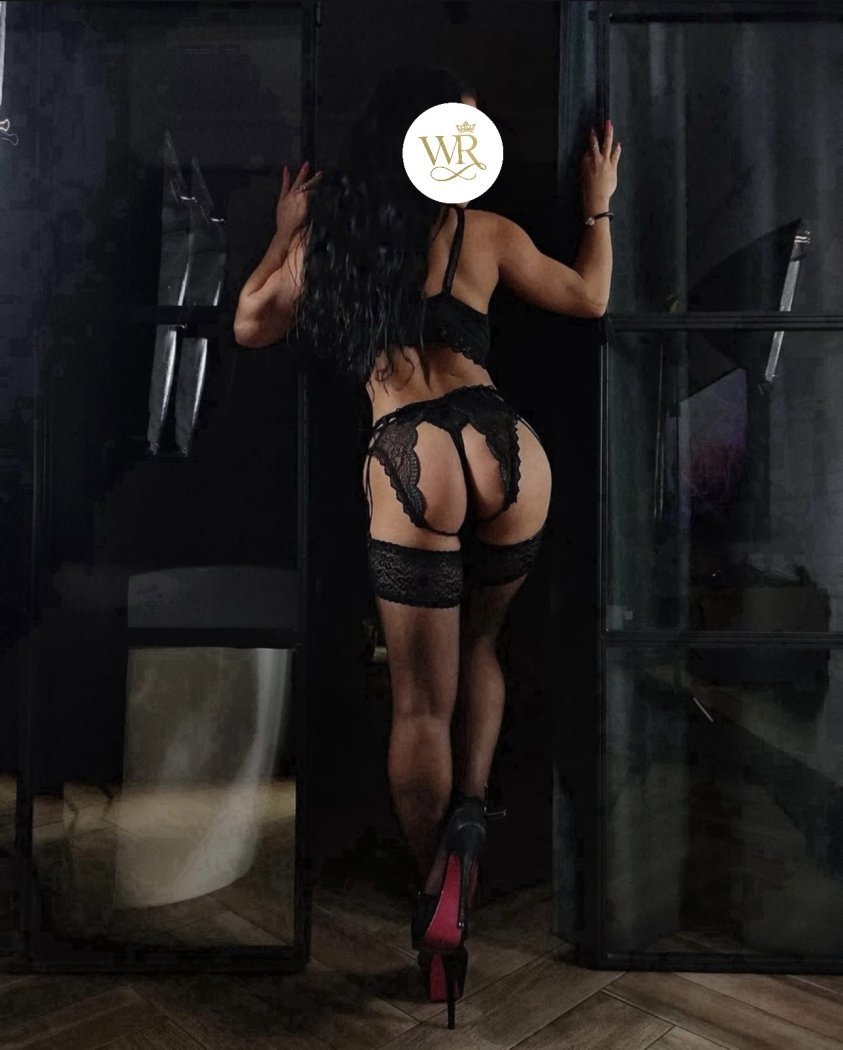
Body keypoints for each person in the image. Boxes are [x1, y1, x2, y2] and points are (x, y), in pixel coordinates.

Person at [234, 63, 619, 1027]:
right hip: (505, 446)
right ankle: (471, 822)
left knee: (417, 702)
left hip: (411, 453)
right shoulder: (483, 232)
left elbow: (248, 325)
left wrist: (283, 231)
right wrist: (598, 206)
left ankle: (434, 893)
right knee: (483, 645)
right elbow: (588, 297)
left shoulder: (333, 239)